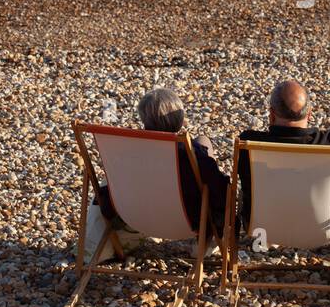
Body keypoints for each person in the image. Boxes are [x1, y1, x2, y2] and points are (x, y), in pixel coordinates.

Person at [92, 88, 229, 245]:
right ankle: (205, 245)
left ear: (144, 120)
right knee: (203, 142)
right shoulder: (191, 153)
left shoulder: (127, 152)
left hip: (135, 218)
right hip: (189, 221)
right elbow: (216, 186)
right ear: (180, 119)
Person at [235, 79, 330, 241]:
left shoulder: (248, 143)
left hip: (260, 228)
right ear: (310, 114)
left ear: (271, 115)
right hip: (327, 230)